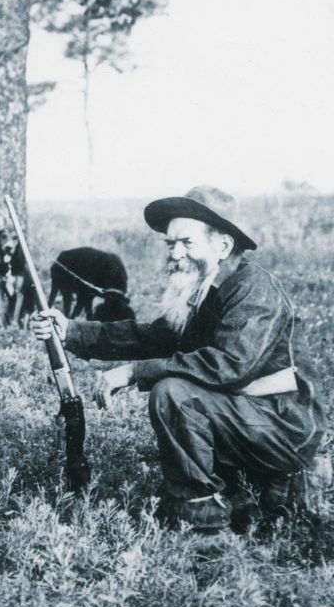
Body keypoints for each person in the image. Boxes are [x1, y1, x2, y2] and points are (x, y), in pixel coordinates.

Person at [31, 186, 324, 532]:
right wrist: (73, 331)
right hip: (248, 419)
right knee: (177, 392)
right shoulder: (205, 286)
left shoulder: (254, 290)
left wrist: (133, 372)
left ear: (223, 246)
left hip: (284, 427)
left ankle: (203, 525)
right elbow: (153, 337)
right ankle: (239, 490)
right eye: (171, 244)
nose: (176, 254)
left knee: (174, 393)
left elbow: (228, 365)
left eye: (186, 242)